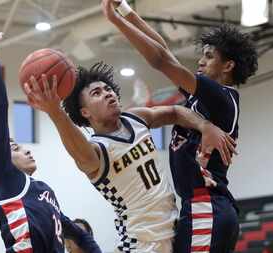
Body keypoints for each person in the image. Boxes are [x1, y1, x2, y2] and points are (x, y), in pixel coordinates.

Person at [23, 55, 236, 252]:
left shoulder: (135, 118)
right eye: (96, 93)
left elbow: (175, 111)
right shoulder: (96, 150)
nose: (107, 93)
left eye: (108, 89)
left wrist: (205, 126)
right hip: (140, 243)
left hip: (172, 233)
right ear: (85, 112)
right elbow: (81, 155)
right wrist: (55, 112)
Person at [101, 0, 259, 252]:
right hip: (197, 207)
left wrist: (116, 21)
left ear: (228, 66)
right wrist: (125, 10)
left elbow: (162, 60)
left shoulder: (222, 98)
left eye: (209, 56)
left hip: (206, 205)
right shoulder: (201, 98)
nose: (200, 61)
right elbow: (163, 50)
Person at [0, 18, 102, 253]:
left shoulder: (44, 190)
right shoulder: (4, 179)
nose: (27, 149)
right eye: (15, 148)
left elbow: (80, 235)